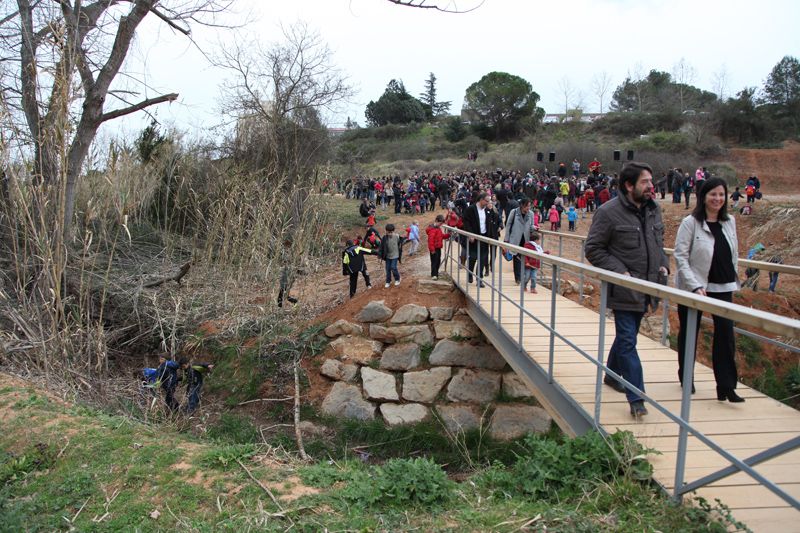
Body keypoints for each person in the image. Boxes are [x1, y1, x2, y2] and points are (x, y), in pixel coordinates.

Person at [585, 162, 669, 418]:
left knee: (625, 337)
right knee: (628, 341)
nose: (651, 186)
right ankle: (637, 397)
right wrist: (620, 271)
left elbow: (658, 244)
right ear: (629, 185)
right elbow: (594, 249)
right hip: (624, 289)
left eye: (650, 181)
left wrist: (664, 266)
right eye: (645, 182)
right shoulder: (608, 212)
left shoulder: (654, 211)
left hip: (647, 288)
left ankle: (611, 375)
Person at [673, 177, 744, 403]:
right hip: (694, 287)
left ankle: (726, 386)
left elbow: (734, 252)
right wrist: (694, 285)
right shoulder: (690, 223)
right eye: (713, 194)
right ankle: (686, 377)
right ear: (703, 196)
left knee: (725, 334)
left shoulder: (729, 221)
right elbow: (681, 256)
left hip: (723, 286)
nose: (718, 199)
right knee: (689, 332)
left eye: (721, 194)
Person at [462, 192, 493, 286]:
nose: (488, 203)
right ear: (481, 199)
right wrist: (470, 234)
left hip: (484, 237)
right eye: (486, 201)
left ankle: (479, 279)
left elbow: (490, 222)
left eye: (489, 202)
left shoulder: (487, 210)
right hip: (474, 237)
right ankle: (470, 274)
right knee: (473, 257)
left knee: (483, 258)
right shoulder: (471, 209)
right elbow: (466, 222)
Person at [503, 197, 535, 284]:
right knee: (516, 258)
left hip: (526, 239)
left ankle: (523, 276)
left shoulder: (531, 214)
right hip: (515, 238)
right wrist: (506, 239)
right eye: (526, 206)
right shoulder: (514, 212)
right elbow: (508, 225)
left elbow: (532, 225)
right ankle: (518, 278)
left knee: (524, 258)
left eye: (529, 206)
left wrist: (535, 228)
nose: (528, 208)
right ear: (522, 205)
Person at [378, 223, 402, 288]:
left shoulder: (397, 236)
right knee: (387, 269)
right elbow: (381, 248)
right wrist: (380, 257)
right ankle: (388, 281)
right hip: (388, 256)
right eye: (388, 232)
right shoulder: (384, 238)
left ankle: (397, 279)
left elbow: (400, 243)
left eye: (391, 232)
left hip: (395, 255)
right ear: (386, 231)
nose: (390, 233)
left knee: (393, 267)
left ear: (393, 231)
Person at [426, 214, 449, 280]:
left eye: (441, 224)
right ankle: (434, 274)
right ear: (436, 221)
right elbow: (430, 241)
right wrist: (432, 249)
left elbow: (442, 236)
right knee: (434, 261)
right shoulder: (432, 229)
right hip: (434, 249)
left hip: (438, 248)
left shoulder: (438, 229)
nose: (440, 225)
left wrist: (448, 235)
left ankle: (436, 273)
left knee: (438, 261)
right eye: (440, 223)